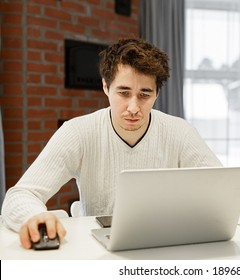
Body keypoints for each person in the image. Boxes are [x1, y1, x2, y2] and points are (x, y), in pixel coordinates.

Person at [1, 38, 222, 249]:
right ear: (106, 87)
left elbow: (220, 189)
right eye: (124, 93)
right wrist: (34, 216)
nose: (134, 107)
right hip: (96, 249)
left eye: (144, 94)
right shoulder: (78, 132)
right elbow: (20, 195)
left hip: (165, 245)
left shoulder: (179, 132)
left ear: (157, 93)